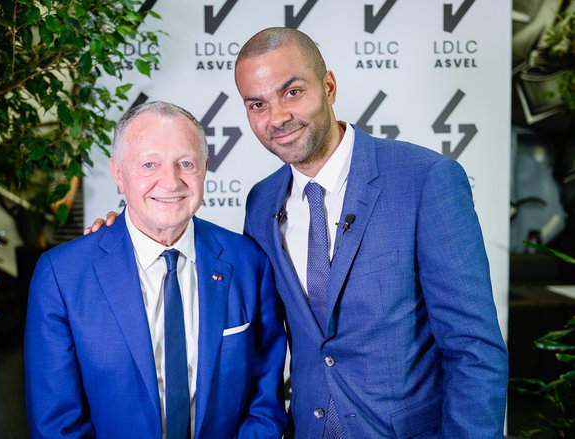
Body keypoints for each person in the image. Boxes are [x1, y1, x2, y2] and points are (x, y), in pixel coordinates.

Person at [89, 28, 509, 438]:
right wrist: (126, 234)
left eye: (292, 92)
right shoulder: (261, 203)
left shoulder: (425, 180)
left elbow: (474, 350)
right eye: (257, 104)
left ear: (328, 86)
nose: (277, 117)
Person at [25, 101, 287, 438]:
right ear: (118, 173)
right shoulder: (62, 275)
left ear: (205, 169)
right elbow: (56, 425)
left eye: (186, 163)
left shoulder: (249, 263)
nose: (171, 180)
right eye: (150, 164)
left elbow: (265, 404)